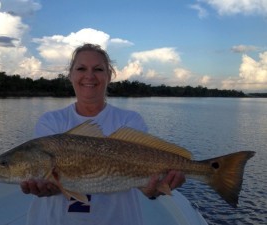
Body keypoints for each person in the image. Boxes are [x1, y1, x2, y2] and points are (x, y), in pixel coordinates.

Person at [21, 43, 185, 225]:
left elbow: (145, 182)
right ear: (70, 75)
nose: (89, 76)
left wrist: (153, 191)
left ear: (109, 76)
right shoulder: (51, 121)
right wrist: (47, 186)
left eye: (98, 69)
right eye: (81, 68)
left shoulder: (129, 120)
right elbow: (51, 180)